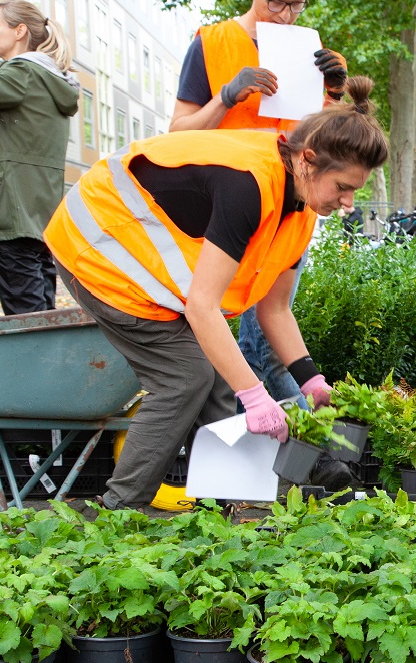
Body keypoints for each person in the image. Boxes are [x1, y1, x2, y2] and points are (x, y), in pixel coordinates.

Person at [43, 78, 389, 511]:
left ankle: (234, 505)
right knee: (186, 379)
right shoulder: (246, 184)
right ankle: (118, 510)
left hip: (147, 264)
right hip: (97, 248)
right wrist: (256, 395)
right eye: (342, 187)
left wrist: (311, 379)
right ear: (307, 160)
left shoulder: (301, 207)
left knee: (226, 379)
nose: (348, 202)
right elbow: (203, 306)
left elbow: (276, 309)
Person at [169, 0, 350, 489]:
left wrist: (337, 94)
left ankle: (282, 464)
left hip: (289, 217)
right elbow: (177, 134)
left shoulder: (318, 58)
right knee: (242, 346)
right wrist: (227, 97)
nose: (289, 12)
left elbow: (339, 148)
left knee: (267, 336)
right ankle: (294, 461)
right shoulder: (211, 44)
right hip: (227, 217)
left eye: (300, 4)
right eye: (280, 1)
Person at [0, 0, 77, 315]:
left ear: (20, 31)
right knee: (41, 317)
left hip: (10, 215)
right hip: (40, 217)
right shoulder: (47, 78)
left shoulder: (20, 74)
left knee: (28, 322)